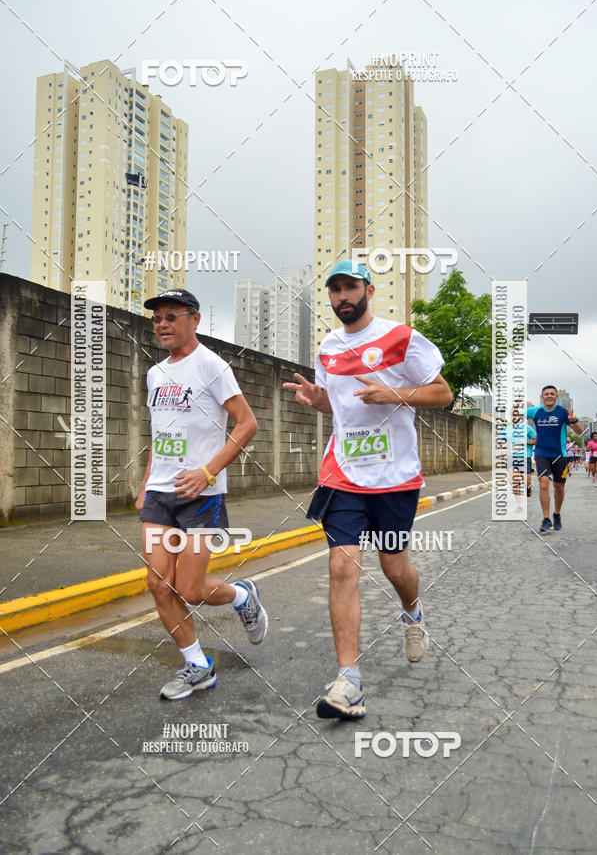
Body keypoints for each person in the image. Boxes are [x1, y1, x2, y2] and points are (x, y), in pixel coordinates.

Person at [284, 260, 452, 720]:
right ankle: (349, 682)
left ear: (369, 290)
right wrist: (317, 399)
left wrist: (394, 394)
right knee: (342, 567)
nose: (343, 296)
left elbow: (443, 394)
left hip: (395, 478)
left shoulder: (400, 338)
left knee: (395, 567)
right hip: (343, 475)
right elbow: (336, 407)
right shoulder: (328, 346)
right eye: (335, 289)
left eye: (350, 287)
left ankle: (413, 612)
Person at [136, 289, 267, 700]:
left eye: (171, 316)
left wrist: (209, 472)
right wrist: (146, 482)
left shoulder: (212, 366)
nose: (162, 324)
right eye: (157, 318)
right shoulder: (155, 374)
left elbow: (247, 424)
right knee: (159, 584)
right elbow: (161, 435)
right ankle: (197, 665)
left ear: (194, 319)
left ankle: (243, 596)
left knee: (191, 591)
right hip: (161, 492)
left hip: (201, 494)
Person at [527, 386, 584, 533]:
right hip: (541, 453)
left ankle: (556, 513)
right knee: (543, 483)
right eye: (546, 394)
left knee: (559, 487)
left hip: (560, 454)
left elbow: (579, 431)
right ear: (542, 396)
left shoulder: (562, 412)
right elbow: (514, 415)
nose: (549, 396)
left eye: (552, 394)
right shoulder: (535, 411)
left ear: (556, 396)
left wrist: (575, 420)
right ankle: (546, 519)